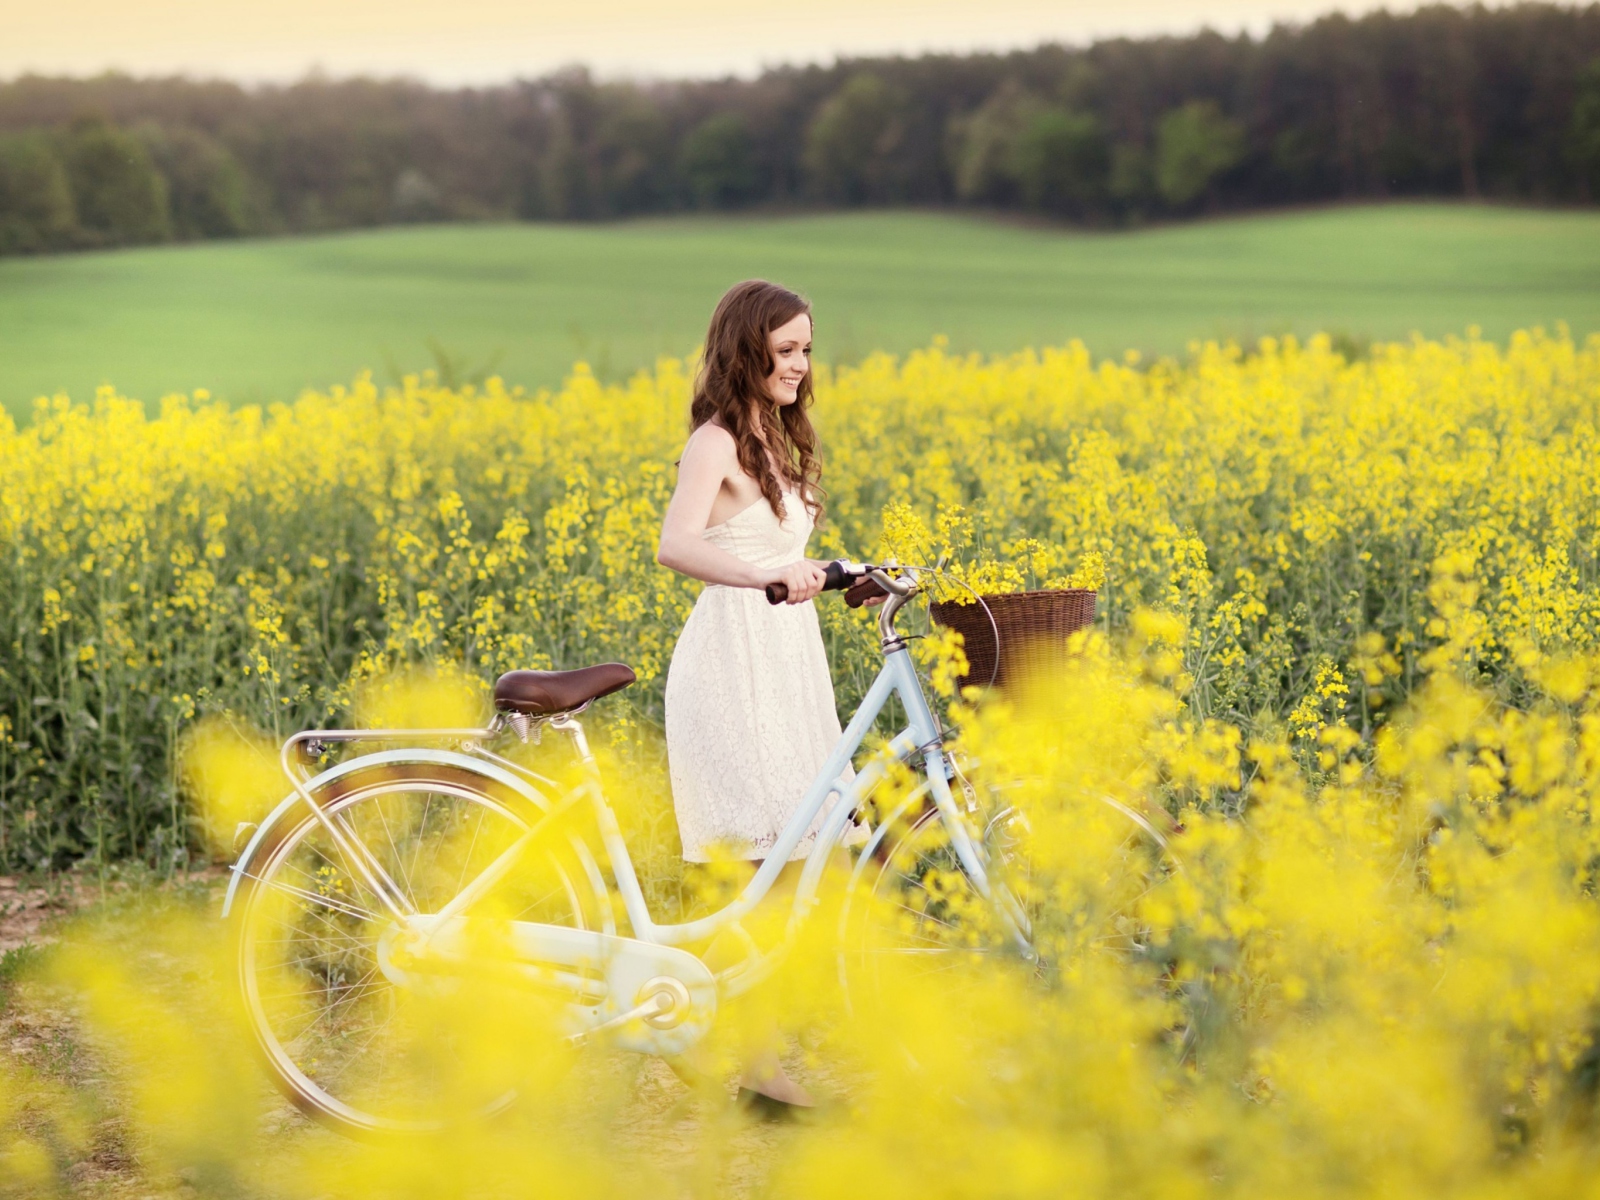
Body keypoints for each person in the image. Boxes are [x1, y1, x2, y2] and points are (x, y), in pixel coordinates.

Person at [656, 279, 871, 1110]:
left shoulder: (780, 439)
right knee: (765, 869)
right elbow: (676, 545)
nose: (800, 364)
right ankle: (752, 1061)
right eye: (786, 350)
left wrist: (837, 573)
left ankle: (707, 1028)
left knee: (809, 860)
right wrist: (762, 575)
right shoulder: (715, 442)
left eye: (807, 349)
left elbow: (783, 551)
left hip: (787, 658)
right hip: (733, 660)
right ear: (747, 351)